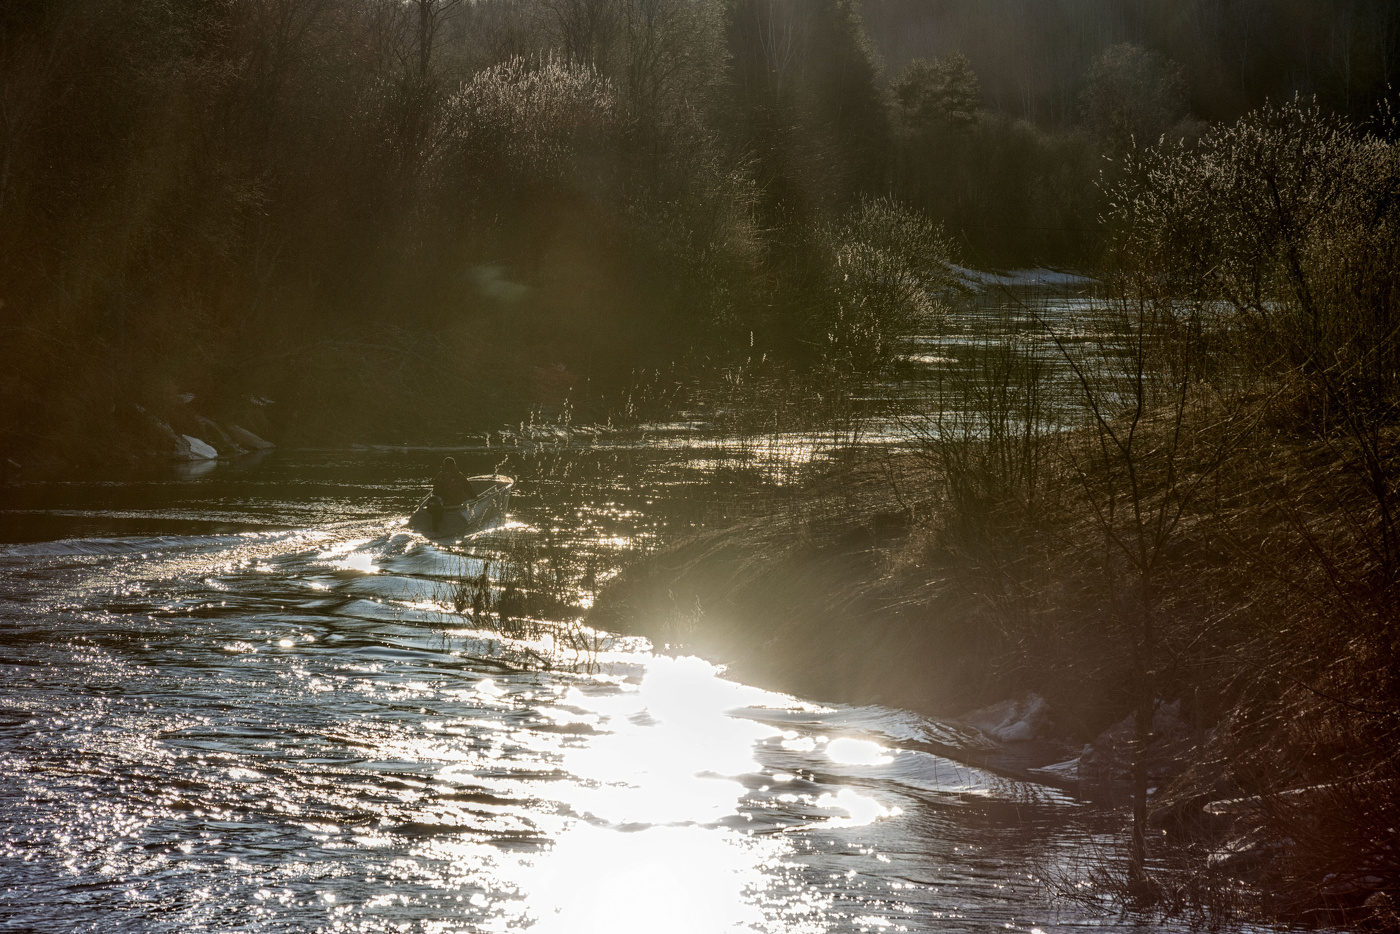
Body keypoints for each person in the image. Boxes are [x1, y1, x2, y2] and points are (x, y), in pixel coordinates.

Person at [426, 457, 471, 533]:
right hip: (457, 502)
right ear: (454, 465)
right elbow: (468, 488)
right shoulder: (460, 475)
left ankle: (436, 524)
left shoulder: (439, 476)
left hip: (443, 503)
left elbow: (435, 492)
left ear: (444, 465)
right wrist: (475, 497)